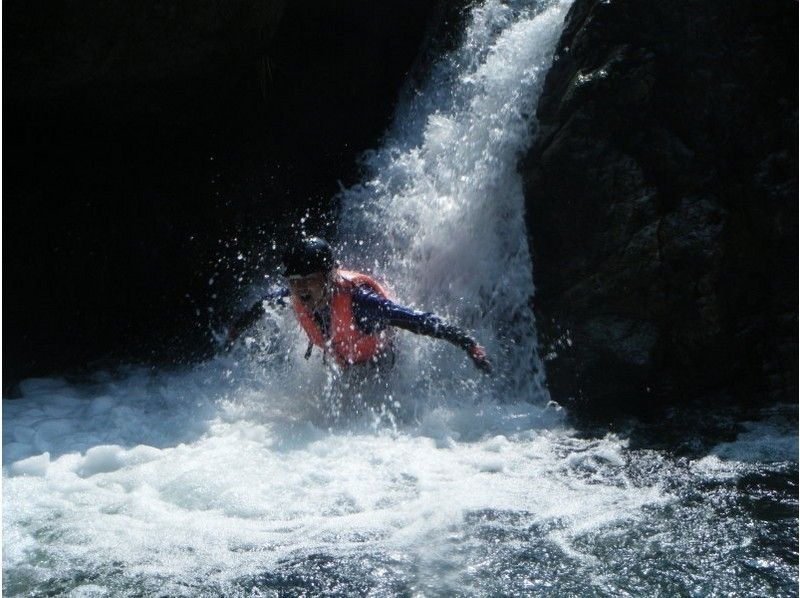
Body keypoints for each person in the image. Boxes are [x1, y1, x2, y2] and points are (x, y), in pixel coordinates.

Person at [225, 237, 492, 373]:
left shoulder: (362, 304)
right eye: (295, 281)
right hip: (342, 361)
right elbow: (261, 306)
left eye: (310, 280)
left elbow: (416, 320)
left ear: (328, 277)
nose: (302, 288)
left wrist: (467, 344)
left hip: (380, 361)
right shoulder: (293, 295)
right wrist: (234, 332)